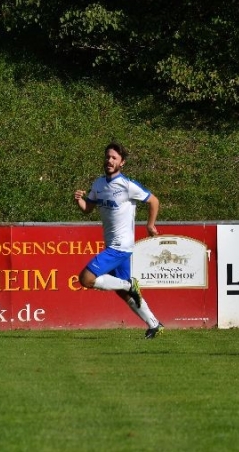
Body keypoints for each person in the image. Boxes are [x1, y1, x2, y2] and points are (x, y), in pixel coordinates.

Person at [74, 142, 165, 339]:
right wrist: (80, 200)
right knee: (123, 292)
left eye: (114, 158)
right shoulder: (98, 184)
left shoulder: (127, 185)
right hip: (113, 245)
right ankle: (154, 324)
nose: (109, 160)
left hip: (121, 246)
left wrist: (150, 225)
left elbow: (154, 201)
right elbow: (88, 209)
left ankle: (129, 284)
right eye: (108, 157)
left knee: (86, 279)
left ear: (122, 163)